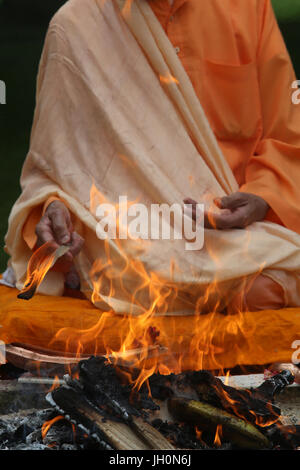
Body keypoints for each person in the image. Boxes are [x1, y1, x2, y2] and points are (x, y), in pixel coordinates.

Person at [4, 0, 300, 315]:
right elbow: (57, 171)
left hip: (232, 243)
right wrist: (56, 213)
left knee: (262, 288)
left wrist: (261, 198)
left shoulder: (247, 8)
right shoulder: (78, 25)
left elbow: (286, 140)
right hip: (123, 250)